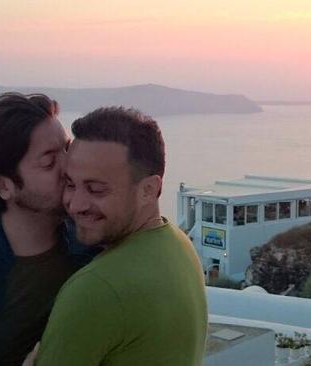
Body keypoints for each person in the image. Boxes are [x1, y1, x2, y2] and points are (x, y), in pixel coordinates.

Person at [35, 107, 207, 365]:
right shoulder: (179, 243)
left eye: (96, 190)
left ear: (149, 189)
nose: (76, 204)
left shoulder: (95, 289)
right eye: (70, 184)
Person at [0, 93, 94, 366]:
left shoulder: (93, 240)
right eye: (49, 162)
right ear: (3, 186)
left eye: (67, 148)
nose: (69, 166)